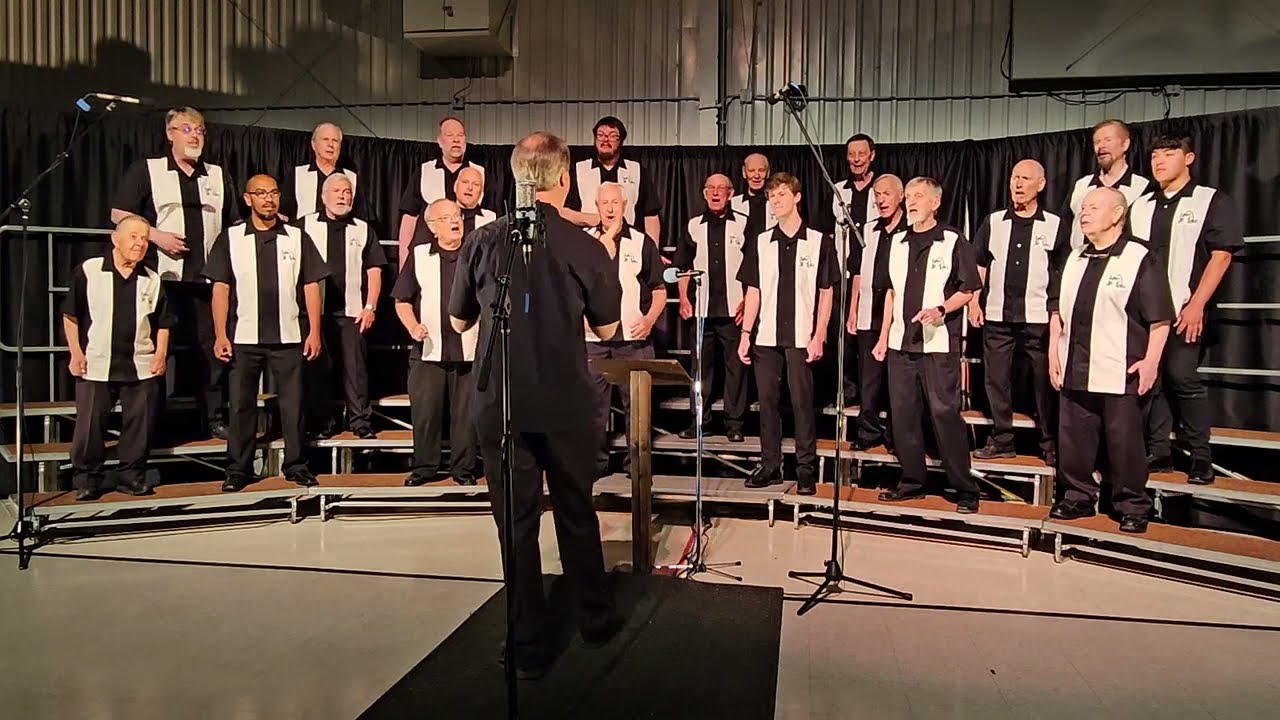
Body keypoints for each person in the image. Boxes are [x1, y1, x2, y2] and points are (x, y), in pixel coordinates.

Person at [448, 131, 625, 679]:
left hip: (500, 405)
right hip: (565, 402)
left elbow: (458, 322)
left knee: (517, 523)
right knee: (576, 510)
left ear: (515, 177)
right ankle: (594, 619)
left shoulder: (482, 241)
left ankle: (527, 646)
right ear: (565, 179)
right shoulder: (585, 246)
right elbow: (608, 327)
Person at [1049, 187, 1173, 534]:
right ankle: (1077, 496)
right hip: (1075, 363)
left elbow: (1160, 317)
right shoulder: (1075, 256)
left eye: (1093, 207)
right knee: (1073, 438)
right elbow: (1057, 310)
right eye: (1083, 208)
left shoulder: (1138, 256)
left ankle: (1132, 504)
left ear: (1118, 214)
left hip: (1121, 365)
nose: (1084, 213)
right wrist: (1052, 356)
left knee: (1125, 442)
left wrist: (1151, 362)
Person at [110, 106, 238, 439]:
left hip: (206, 281)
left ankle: (213, 417)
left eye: (199, 130)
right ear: (170, 134)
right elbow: (118, 214)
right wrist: (156, 236)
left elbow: (234, 222)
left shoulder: (217, 174)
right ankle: (153, 422)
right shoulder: (147, 170)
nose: (194, 135)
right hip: (160, 278)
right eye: (187, 129)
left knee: (211, 349)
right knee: (155, 350)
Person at [1127, 134, 1243, 484]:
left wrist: (1196, 305)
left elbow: (1221, 256)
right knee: (1152, 380)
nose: (1159, 161)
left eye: (1169, 154)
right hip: (1148, 313)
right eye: (1155, 155)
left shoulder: (1210, 200)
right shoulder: (1142, 204)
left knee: (1182, 377)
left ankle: (1200, 457)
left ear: (1189, 157)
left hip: (1185, 308)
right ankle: (1158, 450)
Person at [203, 175, 328, 492]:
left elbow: (311, 286)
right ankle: (238, 469)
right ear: (248, 199)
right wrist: (220, 333)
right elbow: (220, 289)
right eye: (261, 193)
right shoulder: (230, 238)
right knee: (242, 405)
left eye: (273, 192)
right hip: (243, 337)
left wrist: (314, 330)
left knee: (294, 404)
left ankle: (297, 465)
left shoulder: (297, 238)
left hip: (289, 335)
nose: (268, 198)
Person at [872, 177, 982, 513]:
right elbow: (890, 292)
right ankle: (911, 481)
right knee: (903, 415)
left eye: (919, 196)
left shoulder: (952, 240)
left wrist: (941, 309)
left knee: (944, 413)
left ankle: (964, 487)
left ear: (935, 203)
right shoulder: (897, 242)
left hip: (937, 345)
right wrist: (881, 337)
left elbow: (969, 288)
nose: (911, 202)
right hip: (899, 344)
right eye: (908, 196)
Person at [737, 173, 838, 495]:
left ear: (796, 197)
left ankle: (805, 468)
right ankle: (770, 465)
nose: (775, 201)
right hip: (765, 336)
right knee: (767, 403)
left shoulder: (820, 241)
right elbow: (752, 290)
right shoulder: (761, 241)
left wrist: (819, 333)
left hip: (801, 335)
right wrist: (745, 333)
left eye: (780, 195)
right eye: (771, 197)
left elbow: (826, 291)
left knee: (801, 402)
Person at [62, 215, 172, 500]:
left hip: (140, 362)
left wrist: (160, 355)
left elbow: (163, 323)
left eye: (145, 238)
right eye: (134, 237)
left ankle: (131, 475)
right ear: (115, 238)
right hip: (97, 361)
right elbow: (70, 314)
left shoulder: (152, 279)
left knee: (140, 423)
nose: (139, 243)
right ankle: (87, 478)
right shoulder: (89, 270)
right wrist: (75, 351)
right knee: (90, 425)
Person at [969, 159, 1069, 465]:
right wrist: (974, 301)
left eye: (1026, 178)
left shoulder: (1053, 224)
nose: (1018, 184)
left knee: (1044, 380)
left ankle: (1050, 442)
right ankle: (1002, 439)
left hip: (1038, 316)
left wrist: (1057, 314)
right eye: (1014, 177)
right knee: (995, 378)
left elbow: (1062, 270)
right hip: (998, 315)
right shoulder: (994, 221)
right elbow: (980, 263)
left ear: (1040, 185)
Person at [393, 199, 481, 487]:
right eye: (446, 218)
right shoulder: (419, 255)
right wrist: (412, 326)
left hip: (469, 350)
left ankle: (464, 470)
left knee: (466, 417)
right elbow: (402, 300)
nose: (455, 221)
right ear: (432, 227)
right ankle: (425, 468)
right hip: (429, 350)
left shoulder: (476, 254)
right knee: (426, 414)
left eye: (457, 216)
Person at [584, 183, 666, 476]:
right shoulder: (584, 241)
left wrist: (649, 320)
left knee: (638, 409)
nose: (609, 208)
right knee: (593, 409)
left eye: (614, 202)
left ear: (624, 204)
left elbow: (659, 289)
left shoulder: (642, 242)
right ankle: (595, 464)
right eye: (604, 202)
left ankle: (637, 465)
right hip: (593, 342)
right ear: (596, 205)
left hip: (633, 341)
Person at [299, 173, 386, 440]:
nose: (342, 196)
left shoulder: (362, 228)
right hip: (314, 311)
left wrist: (370, 306)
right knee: (317, 368)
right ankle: (322, 421)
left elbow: (374, 269)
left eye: (347, 191)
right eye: (336, 191)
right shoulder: (304, 225)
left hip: (352, 310)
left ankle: (360, 420)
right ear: (323, 196)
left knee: (356, 368)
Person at [674, 173, 749, 443]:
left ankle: (735, 424)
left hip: (734, 311)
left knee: (735, 369)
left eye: (721, 188)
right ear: (704, 193)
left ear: (730, 193)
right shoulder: (694, 225)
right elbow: (683, 266)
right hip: (701, 310)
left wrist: (748, 303)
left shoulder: (744, 224)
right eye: (711, 189)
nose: (716, 193)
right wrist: (684, 298)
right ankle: (699, 422)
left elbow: (754, 268)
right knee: (700, 368)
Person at [845, 174, 905, 450]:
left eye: (887, 194)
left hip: (900, 314)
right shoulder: (867, 230)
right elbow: (856, 272)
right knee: (868, 377)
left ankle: (896, 435)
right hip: (870, 309)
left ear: (900, 196)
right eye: (877, 195)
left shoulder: (911, 229)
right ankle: (867, 432)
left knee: (897, 378)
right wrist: (853, 309)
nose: (881, 200)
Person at [829, 133, 883, 403]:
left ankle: (872, 396)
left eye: (862, 153)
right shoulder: (839, 190)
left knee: (869, 334)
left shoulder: (881, 189)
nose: (857, 159)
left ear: (872, 155)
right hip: (845, 275)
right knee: (843, 337)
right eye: (852, 154)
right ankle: (846, 393)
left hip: (874, 276)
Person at [397, 117, 486, 266]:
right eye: (450, 135)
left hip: (468, 259)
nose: (456, 140)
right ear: (439, 140)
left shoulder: (479, 173)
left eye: (460, 135)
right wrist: (403, 259)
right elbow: (409, 219)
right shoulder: (425, 171)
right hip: (428, 256)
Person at [562, 116, 662, 245]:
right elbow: (563, 212)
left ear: (620, 141)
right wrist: (594, 220)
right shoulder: (578, 170)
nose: (605, 139)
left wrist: (652, 252)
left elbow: (650, 215)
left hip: (629, 245)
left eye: (612, 136)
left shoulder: (637, 171)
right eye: (600, 135)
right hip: (588, 244)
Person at [1063, 119, 1154, 251]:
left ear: (1125, 144)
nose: (1101, 146)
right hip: (1081, 263)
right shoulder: (1081, 185)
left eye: (1108, 140)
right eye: (1097, 142)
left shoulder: (1142, 186)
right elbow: (1065, 227)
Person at [282, 121, 360, 221]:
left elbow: (360, 216)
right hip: (304, 233)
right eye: (325, 139)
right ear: (313, 144)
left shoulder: (351, 177)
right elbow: (284, 212)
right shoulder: (297, 174)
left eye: (335, 140)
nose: (330, 144)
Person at [730, 153, 776, 240]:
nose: (756, 176)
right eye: (751, 170)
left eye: (761, 170)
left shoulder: (777, 203)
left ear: (768, 173)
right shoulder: (733, 204)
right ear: (744, 172)